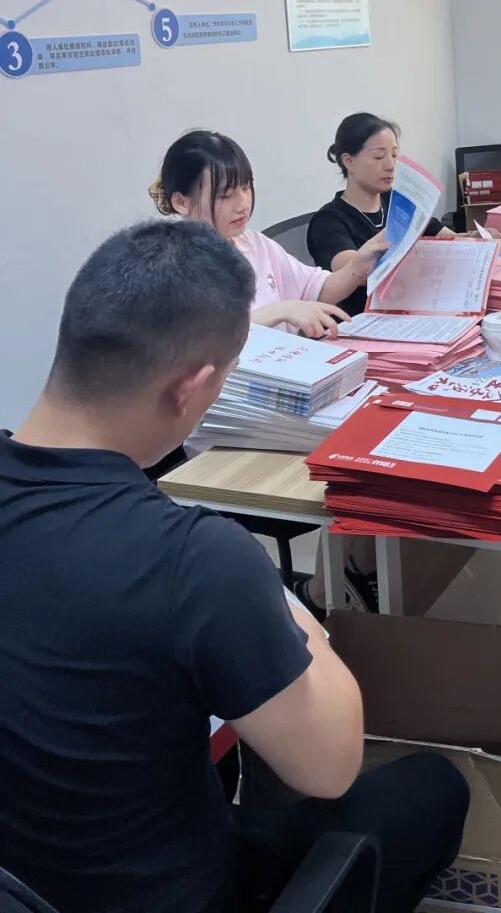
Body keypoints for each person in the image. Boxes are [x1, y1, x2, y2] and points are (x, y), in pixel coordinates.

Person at [0, 220, 468, 913]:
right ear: (189, 389)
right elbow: (329, 767)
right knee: (432, 789)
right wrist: (281, 603)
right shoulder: (195, 558)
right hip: (175, 889)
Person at [153, 129, 387, 337]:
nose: (243, 204)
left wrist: (360, 264)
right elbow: (206, 340)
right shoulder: (170, 268)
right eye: (226, 195)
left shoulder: (255, 244)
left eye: (246, 187)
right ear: (181, 202)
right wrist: (280, 311)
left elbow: (318, 289)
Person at [308, 113, 452, 320]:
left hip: (412, 310)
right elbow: (357, 270)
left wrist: (477, 239)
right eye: (378, 157)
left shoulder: (396, 202)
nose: (390, 166)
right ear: (348, 161)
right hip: (361, 322)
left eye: (394, 155)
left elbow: (447, 236)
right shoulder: (328, 222)